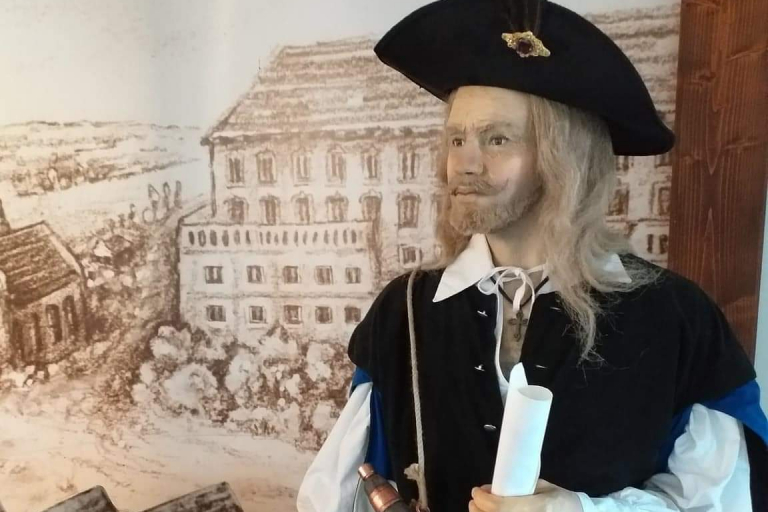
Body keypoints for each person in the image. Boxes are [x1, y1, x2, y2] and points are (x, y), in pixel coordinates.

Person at [297, 0, 768, 511]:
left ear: (564, 159)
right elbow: (341, 494)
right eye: (457, 138)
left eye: (497, 139)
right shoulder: (404, 311)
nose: (464, 164)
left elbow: (721, 500)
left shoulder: (675, 317)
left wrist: (579, 510)